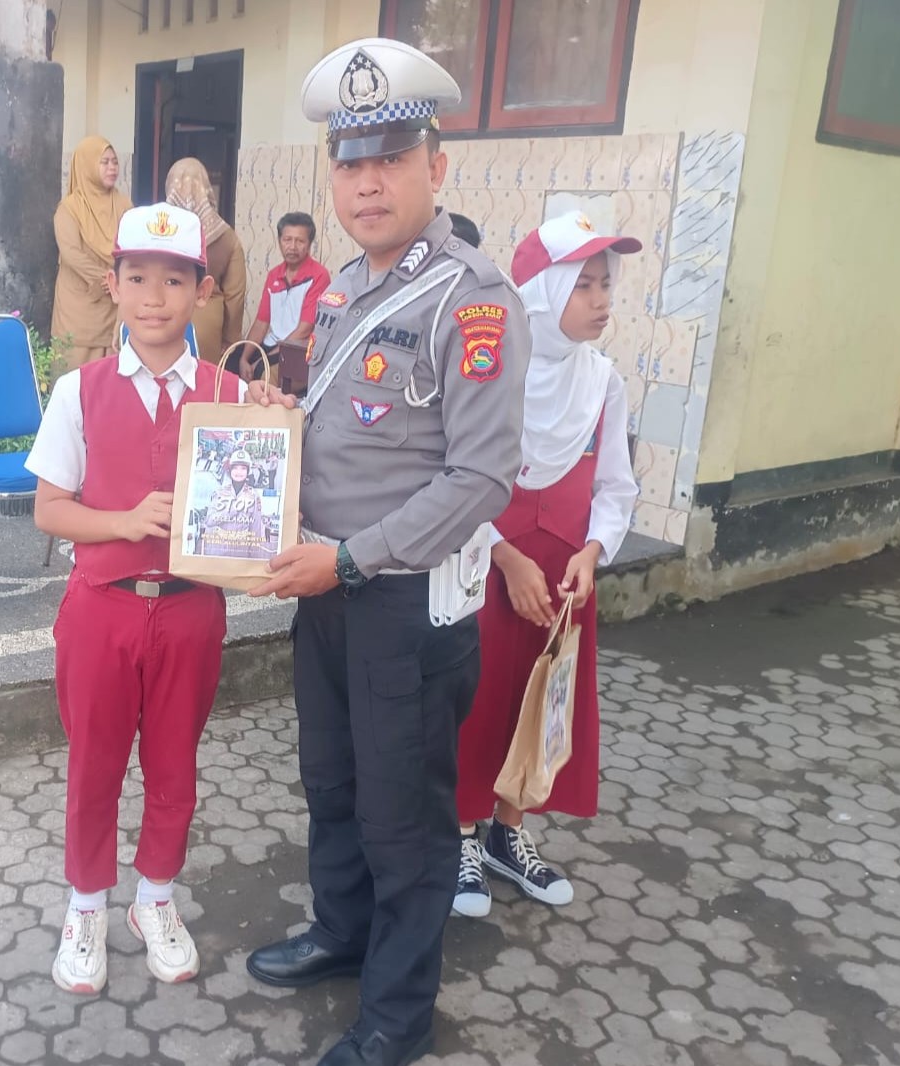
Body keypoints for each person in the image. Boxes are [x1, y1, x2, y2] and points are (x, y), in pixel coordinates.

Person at [243, 38, 529, 1066]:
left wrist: (352, 561)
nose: (366, 182)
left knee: (404, 819)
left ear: (434, 168)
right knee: (331, 781)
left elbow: (481, 478)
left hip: (402, 604)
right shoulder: (340, 292)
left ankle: (399, 1017)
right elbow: (344, 431)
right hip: (324, 588)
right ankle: (342, 932)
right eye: (349, 162)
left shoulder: (472, 299)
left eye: (390, 159)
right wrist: (276, 420)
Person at [26, 201, 244, 996]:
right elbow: (49, 509)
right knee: (95, 765)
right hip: (102, 607)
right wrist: (121, 521)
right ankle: (85, 905)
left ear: (202, 291)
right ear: (111, 285)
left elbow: (262, 495)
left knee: (174, 763)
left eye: (175, 280)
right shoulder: (77, 391)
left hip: (191, 610)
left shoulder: (230, 394)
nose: (155, 296)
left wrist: (279, 426)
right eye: (138, 277)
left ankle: (154, 897)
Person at [450, 210, 641, 918]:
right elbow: (455, 479)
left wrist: (593, 553)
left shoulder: (602, 383)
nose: (601, 300)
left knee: (541, 706)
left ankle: (508, 830)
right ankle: (459, 836)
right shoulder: (491, 374)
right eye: (583, 285)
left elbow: (615, 487)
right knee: (476, 702)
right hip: (487, 571)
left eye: (605, 284)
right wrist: (503, 557)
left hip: (562, 582)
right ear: (543, 291)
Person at [52, 136, 132, 369]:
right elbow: (71, 254)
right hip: (78, 311)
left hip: (114, 309)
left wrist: (118, 280)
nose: (112, 168)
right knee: (74, 379)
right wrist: (108, 278)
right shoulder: (69, 209)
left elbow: (133, 250)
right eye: (104, 162)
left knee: (110, 377)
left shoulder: (125, 206)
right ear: (86, 165)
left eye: (114, 162)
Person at [165, 157, 248, 358]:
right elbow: (235, 295)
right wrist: (230, 337)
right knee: (205, 376)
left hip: (164, 315)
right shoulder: (225, 235)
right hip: (207, 322)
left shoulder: (158, 232)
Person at [241, 211, 330, 379]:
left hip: (298, 349)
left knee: (263, 374)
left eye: (300, 241)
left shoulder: (319, 275)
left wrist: (264, 361)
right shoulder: (274, 275)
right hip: (272, 344)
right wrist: (244, 359)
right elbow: (261, 323)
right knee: (231, 364)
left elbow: (305, 330)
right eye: (287, 240)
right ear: (280, 241)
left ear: (309, 244)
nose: (293, 246)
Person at [197, 449, 271, 560]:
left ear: (248, 471)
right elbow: (209, 521)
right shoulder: (219, 493)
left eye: (243, 468)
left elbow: (256, 530)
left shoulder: (254, 496)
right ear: (230, 470)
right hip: (218, 550)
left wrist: (254, 559)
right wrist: (232, 510)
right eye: (235, 468)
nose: (239, 472)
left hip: (241, 551)